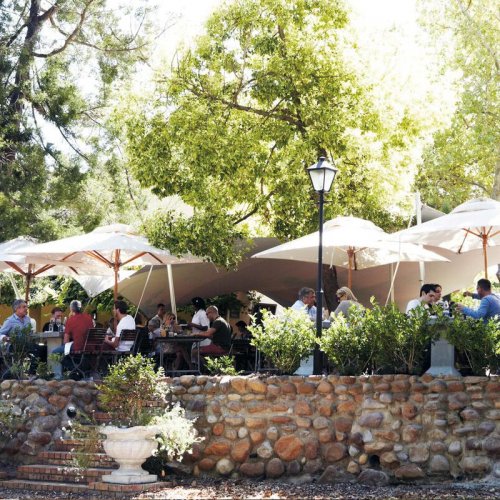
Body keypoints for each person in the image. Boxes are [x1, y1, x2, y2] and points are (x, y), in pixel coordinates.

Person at [51, 300, 93, 379]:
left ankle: (75, 369)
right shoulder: (89, 318)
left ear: (71, 309)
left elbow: (66, 341)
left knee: (54, 352)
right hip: (89, 346)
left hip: (78, 346)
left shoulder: (70, 320)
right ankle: (78, 370)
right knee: (67, 352)